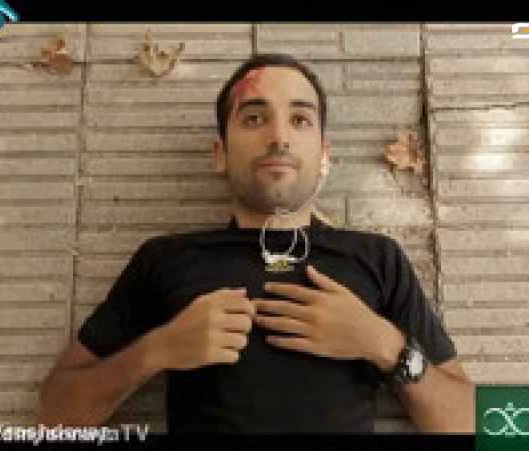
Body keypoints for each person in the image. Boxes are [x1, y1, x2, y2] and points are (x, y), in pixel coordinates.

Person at [35, 53, 475, 434]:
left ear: (324, 154)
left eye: (299, 119)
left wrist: (382, 344)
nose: (279, 137)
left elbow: (483, 424)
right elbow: (53, 415)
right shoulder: (167, 259)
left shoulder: (377, 258)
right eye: (254, 118)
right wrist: (157, 350)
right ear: (220, 153)